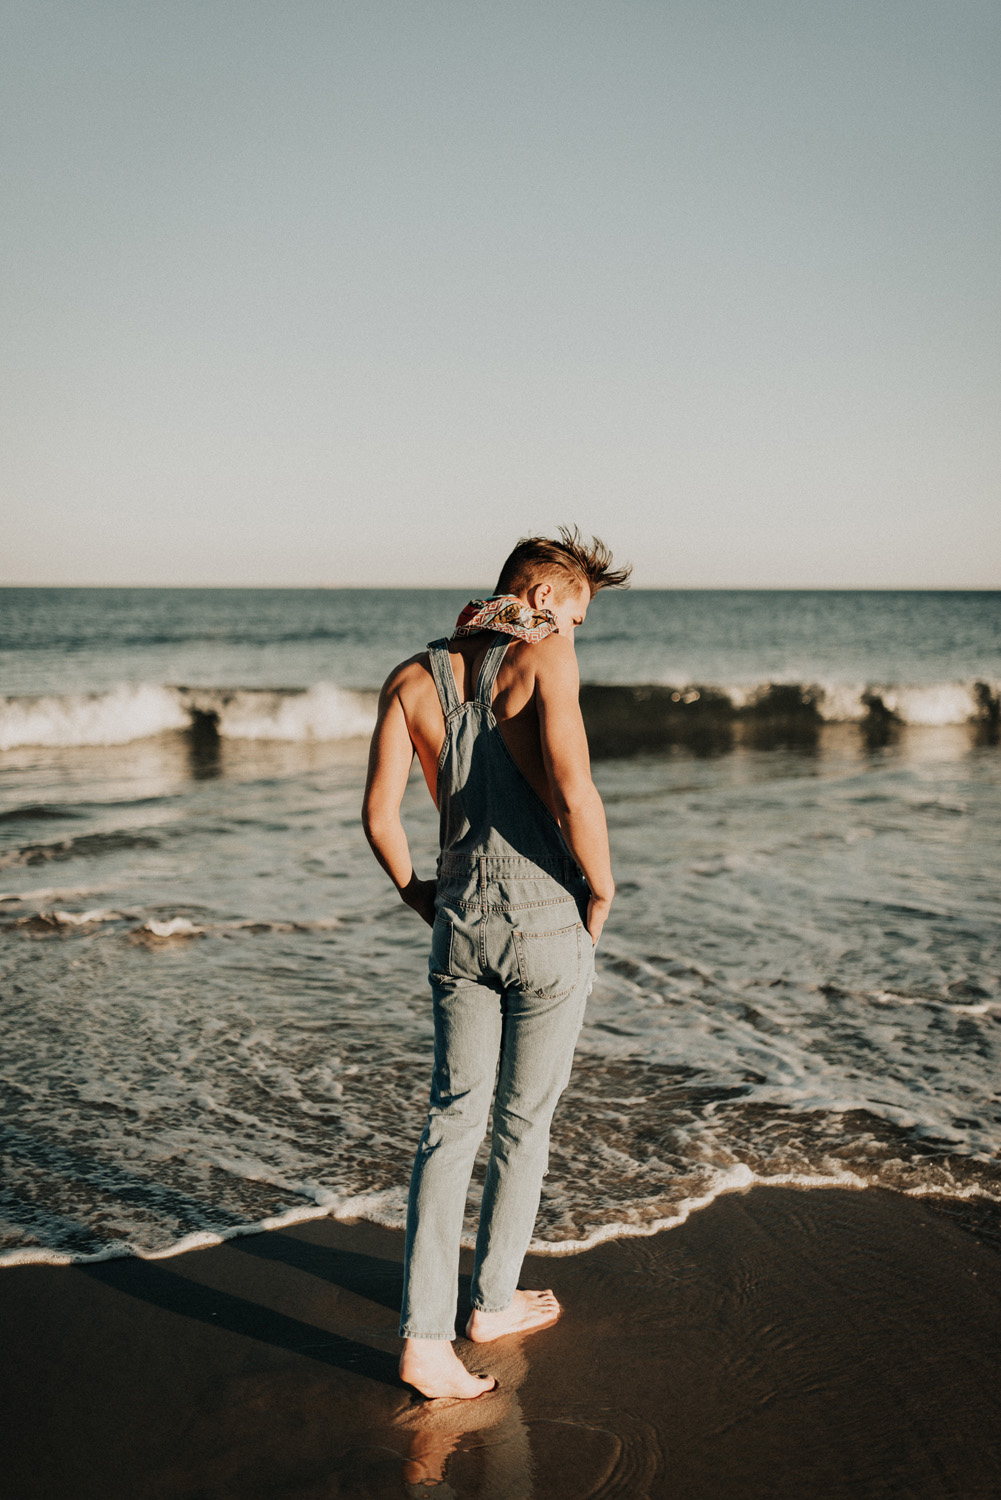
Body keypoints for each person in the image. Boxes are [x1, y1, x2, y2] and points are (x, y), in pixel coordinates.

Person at [362, 527, 631, 1399]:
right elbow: (573, 785)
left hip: (458, 920)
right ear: (546, 600)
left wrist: (418, 896)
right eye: (577, 616)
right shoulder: (544, 654)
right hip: (545, 916)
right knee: (524, 1122)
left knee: (451, 1123)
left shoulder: (411, 676)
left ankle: (426, 1343)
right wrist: (600, 890)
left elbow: (379, 820)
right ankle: (491, 1301)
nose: (574, 634)